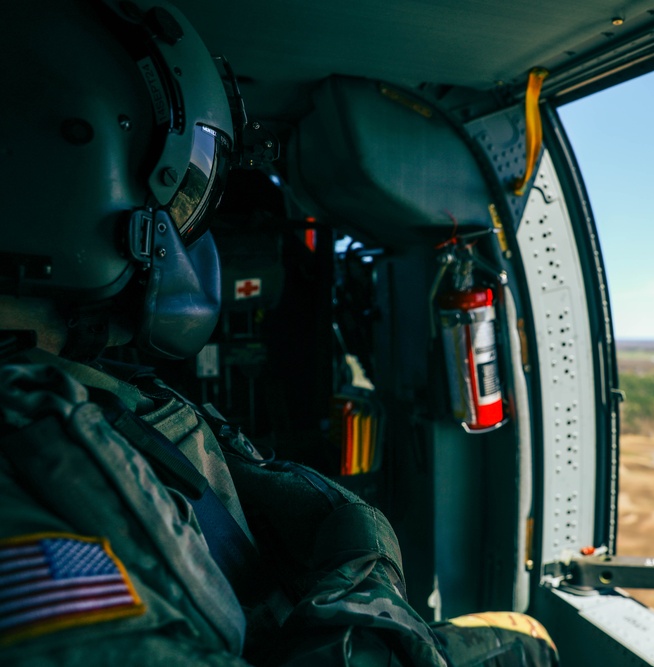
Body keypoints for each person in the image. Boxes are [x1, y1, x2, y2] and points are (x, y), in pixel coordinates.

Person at [0, 2, 557, 665]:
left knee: (528, 640)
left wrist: (350, 556)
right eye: (187, 185)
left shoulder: (95, 395)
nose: (186, 232)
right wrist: (364, 578)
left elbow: (256, 496)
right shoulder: (35, 450)